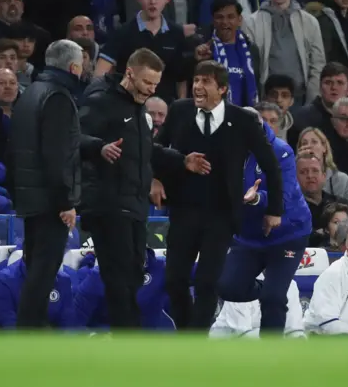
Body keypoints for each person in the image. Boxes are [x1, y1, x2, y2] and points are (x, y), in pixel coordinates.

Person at [79, 48, 210, 330]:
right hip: (108, 204)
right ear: (129, 73)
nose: (151, 90)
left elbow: (148, 150)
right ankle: (127, 340)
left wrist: (182, 160)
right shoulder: (101, 101)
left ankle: (127, 337)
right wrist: (98, 147)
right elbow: (74, 136)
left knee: (134, 275)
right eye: (146, 83)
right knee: (120, 278)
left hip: (135, 205)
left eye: (155, 84)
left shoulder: (139, 110)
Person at [154, 60, 283, 330]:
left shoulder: (243, 120)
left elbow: (271, 164)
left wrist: (275, 210)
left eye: (206, 82)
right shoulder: (179, 111)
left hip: (221, 214)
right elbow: (155, 149)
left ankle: (196, 343)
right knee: (174, 280)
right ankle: (188, 332)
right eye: (196, 80)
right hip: (183, 210)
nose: (198, 87)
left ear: (222, 88)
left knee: (206, 282)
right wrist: (154, 178)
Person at [8, 39, 84, 328]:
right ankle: (30, 332)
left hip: (30, 197)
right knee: (44, 270)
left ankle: (32, 328)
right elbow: (57, 156)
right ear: (74, 66)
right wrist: (66, 202)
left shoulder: (30, 94)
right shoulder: (58, 97)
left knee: (36, 267)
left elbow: (13, 149)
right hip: (50, 201)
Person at [217, 107, 310, 334]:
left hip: (287, 233)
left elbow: (285, 196)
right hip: (249, 235)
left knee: (274, 299)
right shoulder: (225, 149)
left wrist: (257, 198)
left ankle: (271, 357)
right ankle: (268, 289)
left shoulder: (281, 151)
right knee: (228, 288)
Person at [210, 279, 305, 338]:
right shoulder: (239, 284)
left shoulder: (290, 285)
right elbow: (242, 334)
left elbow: (294, 329)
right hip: (226, 344)